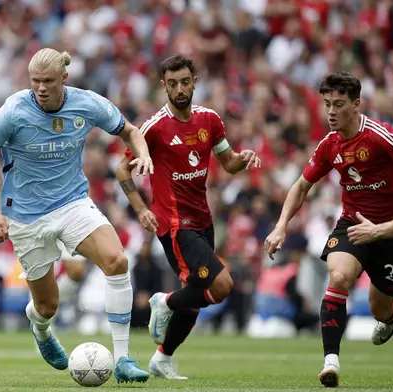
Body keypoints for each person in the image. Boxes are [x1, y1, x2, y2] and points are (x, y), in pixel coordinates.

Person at [0, 48, 153, 383]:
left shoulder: (87, 103)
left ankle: (123, 359)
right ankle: (41, 330)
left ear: (64, 78)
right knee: (47, 306)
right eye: (35, 81)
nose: (40, 88)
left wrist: (143, 156)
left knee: (116, 261)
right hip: (25, 217)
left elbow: (131, 131)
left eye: (48, 81)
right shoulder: (13, 111)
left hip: (72, 204)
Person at [264, 71, 393, 388]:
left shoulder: (382, 137)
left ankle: (392, 313)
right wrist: (280, 227)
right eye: (327, 104)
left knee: (380, 308)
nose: (331, 111)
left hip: (392, 230)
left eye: (338, 104)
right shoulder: (328, 145)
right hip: (353, 225)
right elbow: (302, 185)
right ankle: (330, 361)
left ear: (356, 105)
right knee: (339, 276)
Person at [116, 54, 261, 380]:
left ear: (195, 82)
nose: (179, 88)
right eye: (172, 83)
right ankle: (164, 302)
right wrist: (141, 209)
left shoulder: (210, 120)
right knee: (222, 285)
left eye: (184, 81)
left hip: (203, 219)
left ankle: (163, 358)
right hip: (174, 223)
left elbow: (228, 161)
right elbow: (122, 168)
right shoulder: (153, 128)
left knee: (195, 297)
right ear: (163, 86)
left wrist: (244, 158)